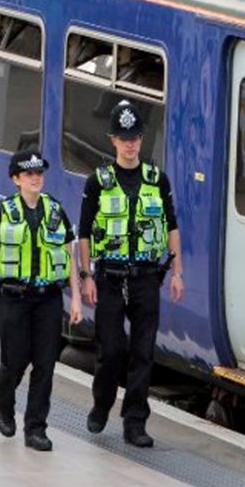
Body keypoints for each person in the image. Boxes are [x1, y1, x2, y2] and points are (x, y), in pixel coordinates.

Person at [78, 99, 185, 447]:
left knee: (143, 351)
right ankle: (102, 404)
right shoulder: (98, 182)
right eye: (124, 137)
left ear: (141, 139)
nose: (130, 143)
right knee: (111, 350)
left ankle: (135, 421)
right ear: (113, 140)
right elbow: (82, 233)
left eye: (135, 137)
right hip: (108, 277)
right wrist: (86, 276)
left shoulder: (158, 180)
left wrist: (178, 273)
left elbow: (171, 227)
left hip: (145, 278)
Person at [0, 149, 82, 452]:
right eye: (28, 174)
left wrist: (75, 298)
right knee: (14, 362)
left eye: (39, 174)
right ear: (16, 179)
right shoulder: (5, 212)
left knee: (45, 365)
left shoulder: (55, 211)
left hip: (48, 298)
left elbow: (69, 257)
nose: (35, 179)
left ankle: (36, 428)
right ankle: (4, 403)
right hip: (13, 298)